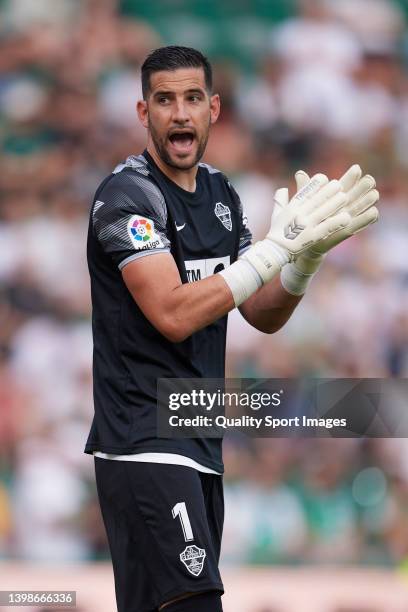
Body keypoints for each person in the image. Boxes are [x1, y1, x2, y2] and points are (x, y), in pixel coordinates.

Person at [84, 46, 379, 612]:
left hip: (198, 442)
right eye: (164, 100)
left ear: (213, 109)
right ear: (143, 113)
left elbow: (260, 313)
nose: (179, 113)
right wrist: (270, 251)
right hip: (144, 443)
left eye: (192, 98)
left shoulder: (221, 195)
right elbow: (172, 314)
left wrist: (302, 260)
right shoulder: (127, 197)